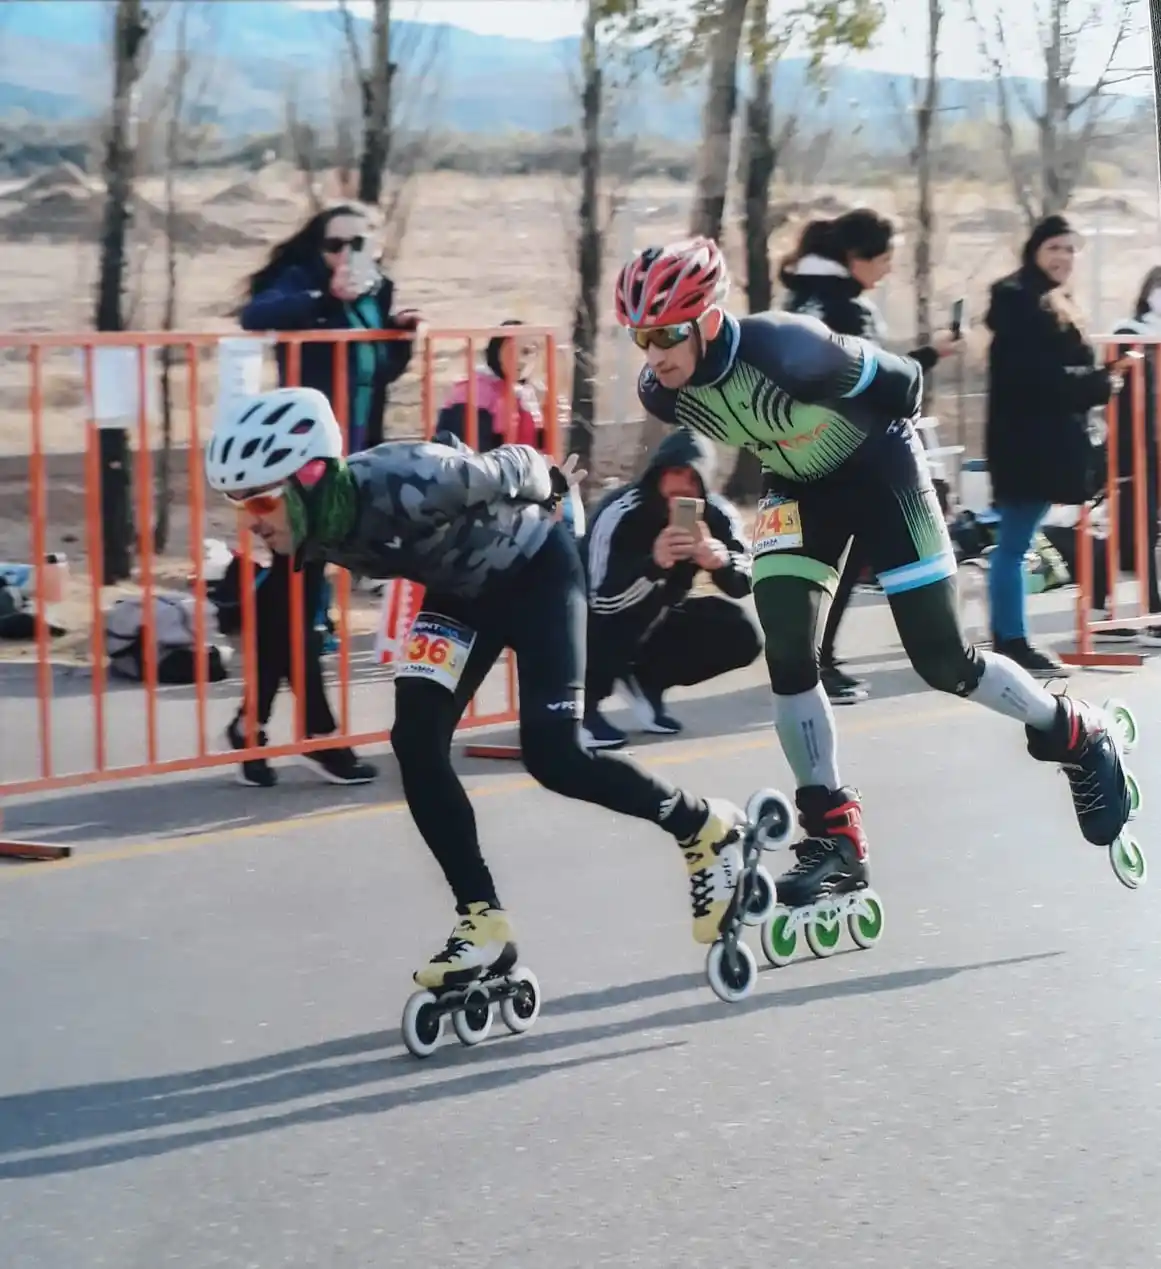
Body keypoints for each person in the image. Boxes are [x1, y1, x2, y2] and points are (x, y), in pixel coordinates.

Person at [614, 235, 1133, 912]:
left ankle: (1070, 728)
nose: (653, 352)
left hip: (880, 471)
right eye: (640, 336)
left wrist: (869, 472)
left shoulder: (789, 348)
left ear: (707, 317)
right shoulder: (661, 392)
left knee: (941, 659)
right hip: (798, 487)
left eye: (664, 332)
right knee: (787, 647)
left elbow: (905, 385)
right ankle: (833, 832)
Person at [204, 386, 747, 990]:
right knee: (415, 739)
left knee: (554, 755)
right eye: (239, 506)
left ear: (307, 477)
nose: (251, 523)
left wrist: (555, 487)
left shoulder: (411, 475)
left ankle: (701, 826)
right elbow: (282, 623)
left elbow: (515, 464)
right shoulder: (310, 526)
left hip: (537, 573)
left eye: (256, 504)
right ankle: (481, 921)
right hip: (459, 600)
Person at [779, 209, 958, 703]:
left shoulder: (802, 295)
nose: (888, 269)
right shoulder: (845, 309)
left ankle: (810, 661)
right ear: (855, 258)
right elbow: (874, 383)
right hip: (844, 453)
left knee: (815, 561)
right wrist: (928, 357)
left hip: (795, 448)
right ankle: (815, 664)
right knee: (834, 561)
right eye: (883, 259)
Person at [984, 214, 1131, 676]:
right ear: (1035, 251)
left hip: (1039, 439)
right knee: (1013, 545)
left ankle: (1010, 637)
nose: (1064, 258)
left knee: (1016, 541)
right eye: (1055, 249)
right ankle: (1010, 641)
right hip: (1027, 441)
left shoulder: (1047, 299)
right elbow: (1034, 379)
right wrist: (1099, 382)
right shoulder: (1021, 302)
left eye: (1070, 250)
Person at [580, 426, 761, 748]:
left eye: (694, 479)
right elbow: (599, 600)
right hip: (586, 618)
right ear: (658, 474)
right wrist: (653, 565)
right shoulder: (620, 512)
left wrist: (721, 562)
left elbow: (746, 579)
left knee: (742, 632)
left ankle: (647, 681)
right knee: (618, 617)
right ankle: (582, 710)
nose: (683, 487)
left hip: (658, 613)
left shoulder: (718, 512)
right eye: (675, 473)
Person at [1090, 264, 1161, 644]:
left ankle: (1106, 611)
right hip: (1133, 450)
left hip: (1153, 449)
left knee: (1133, 531)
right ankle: (1144, 612)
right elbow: (1114, 395)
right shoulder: (1129, 334)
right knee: (1135, 529)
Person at [436, 319, 545, 452]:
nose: (519, 360)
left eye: (527, 352)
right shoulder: (473, 392)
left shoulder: (527, 395)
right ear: (496, 352)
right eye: (511, 351)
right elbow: (466, 449)